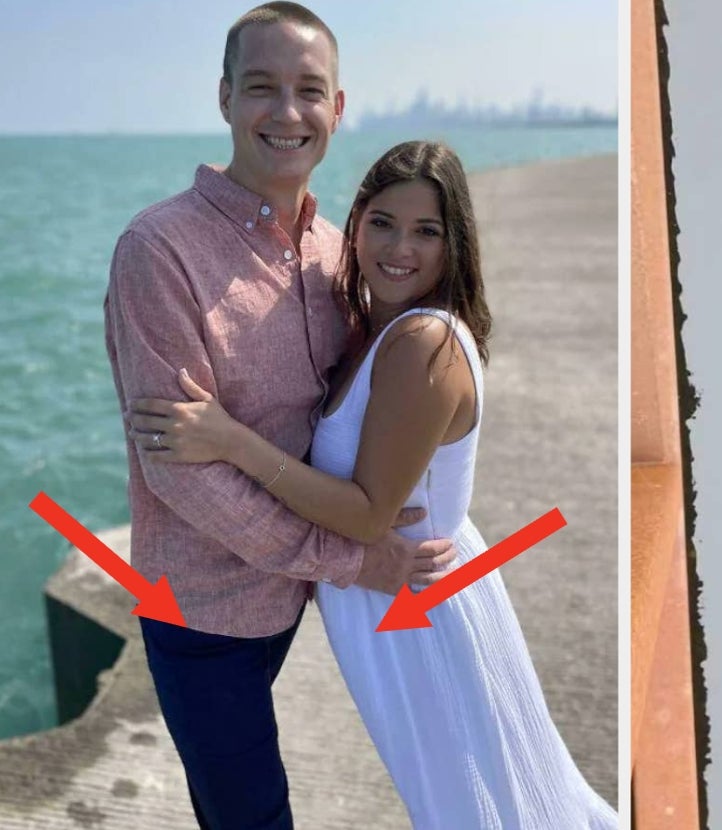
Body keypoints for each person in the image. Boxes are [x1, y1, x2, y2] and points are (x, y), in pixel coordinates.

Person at [125, 139, 618, 828]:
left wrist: (232, 440)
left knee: (476, 811)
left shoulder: (423, 345)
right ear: (353, 225)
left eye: (427, 231)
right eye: (383, 222)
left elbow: (366, 514)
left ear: (456, 246)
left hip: (417, 612)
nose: (400, 248)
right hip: (393, 609)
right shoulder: (378, 330)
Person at [103, 4, 454, 828]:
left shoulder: (339, 250)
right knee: (252, 813)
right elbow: (178, 471)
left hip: (297, 596)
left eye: (309, 91)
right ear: (225, 98)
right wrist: (348, 556)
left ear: (338, 109)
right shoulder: (158, 251)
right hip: (202, 607)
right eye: (263, 87)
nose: (287, 112)